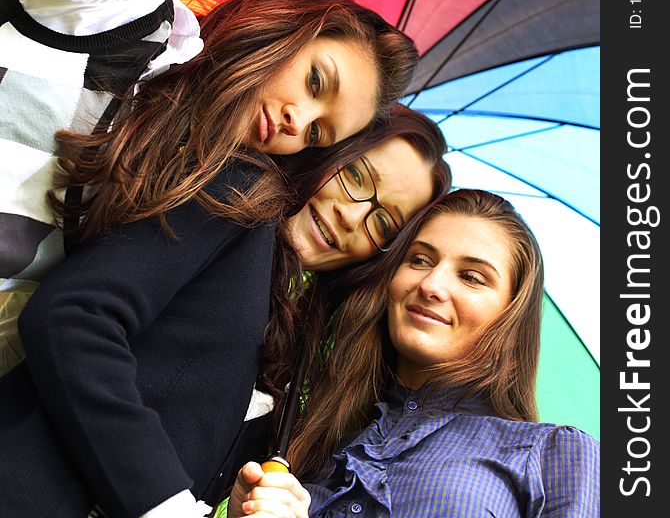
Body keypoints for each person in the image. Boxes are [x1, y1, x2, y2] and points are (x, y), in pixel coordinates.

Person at [0, 0, 417, 374]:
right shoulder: (129, 7)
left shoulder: (168, 193)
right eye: (315, 81)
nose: (298, 122)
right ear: (284, 28)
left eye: (317, 134)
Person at [0, 106, 450, 518]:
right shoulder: (237, 192)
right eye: (356, 176)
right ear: (325, 148)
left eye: (385, 221)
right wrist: (165, 505)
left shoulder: (294, 341)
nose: (354, 218)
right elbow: (74, 316)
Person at [230, 189, 600, 518]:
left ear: (510, 315)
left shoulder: (555, 457)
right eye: (420, 260)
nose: (432, 285)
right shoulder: (312, 439)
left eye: (472, 277)